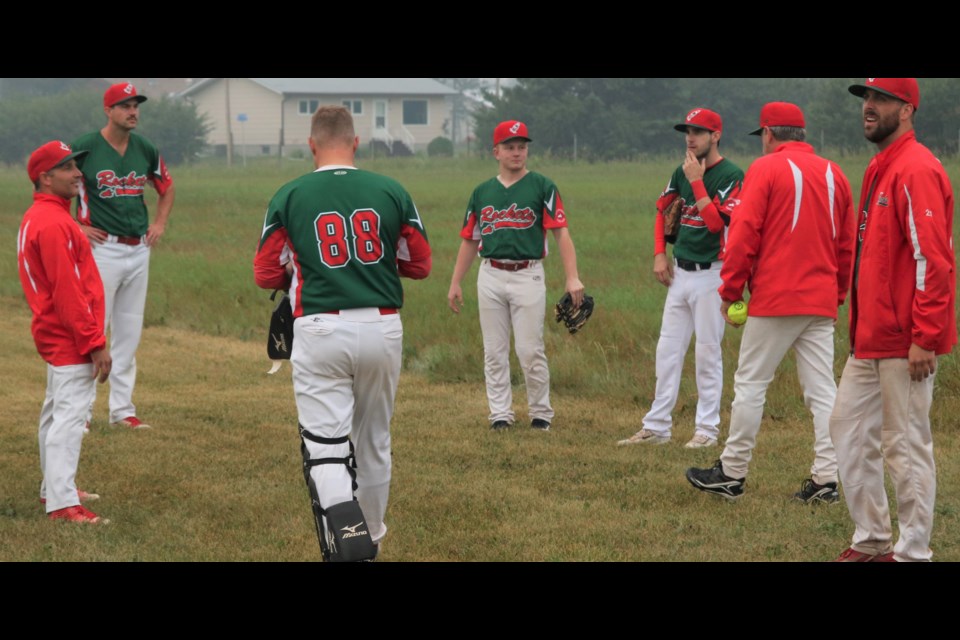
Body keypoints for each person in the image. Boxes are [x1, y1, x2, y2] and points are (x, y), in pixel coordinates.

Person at [254, 105, 431, 561]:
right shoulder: (391, 190)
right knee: (373, 440)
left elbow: (265, 271)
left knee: (326, 447)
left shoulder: (289, 194)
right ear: (356, 143)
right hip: (382, 325)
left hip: (321, 324)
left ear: (311, 146)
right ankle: (370, 538)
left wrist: (300, 268)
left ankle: (349, 543)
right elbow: (419, 263)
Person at [686, 102, 856, 502]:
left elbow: (743, 236)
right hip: (820, 299)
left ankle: (732, 471)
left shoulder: (764, 169)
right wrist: (839, 293)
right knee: (823, 393)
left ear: (768, 134)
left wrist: (730, 292)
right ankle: (827, 480)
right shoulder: (836, 173)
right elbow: (847, 245)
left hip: (777, 297)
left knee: (750, 384)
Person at [830, 79, 956, 562]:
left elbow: (933, 260)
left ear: (906, 109)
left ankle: (913, 552)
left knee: (904, 445)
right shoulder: (882, 165)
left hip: (907, 341)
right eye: (865, 98)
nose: (868, 106)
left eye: (880, 99)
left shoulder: (916, 168)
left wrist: (925, 335)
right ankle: (873, 539)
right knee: (846, 427)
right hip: (871, 339)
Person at [617, 108, 743, 449]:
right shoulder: (681, 170)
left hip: (712, 275)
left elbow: (718, 224)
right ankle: (657, 426)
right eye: (688, 131)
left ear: (716, 136)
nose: (690, 137)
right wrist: (660, 252)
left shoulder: (732, 174)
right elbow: (663, 209)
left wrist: (697, 181)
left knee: (707, 354)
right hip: (680, 273)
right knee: (667, 351)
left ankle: (706, 429)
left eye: (699, 132)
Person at [447, 120, 584, 432]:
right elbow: (470, 239)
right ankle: (500, 414)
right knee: (494, 349)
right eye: (509, 147)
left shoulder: (542, 186)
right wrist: (456, 281)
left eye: (522, 146)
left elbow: (561, 234)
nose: (517, 152)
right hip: (490, 273)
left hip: (528, 274)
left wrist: (572, 277)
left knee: (529, 349)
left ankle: (540, 414)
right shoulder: (482, 192)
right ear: (496, 151)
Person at [17, 140, 113, 524]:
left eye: (77, 166)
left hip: (55, 331)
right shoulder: (55, 222)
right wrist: (94, 343)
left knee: (55, 413)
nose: (78, 174)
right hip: (69, 335)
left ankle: (54, 490)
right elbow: (69, 291)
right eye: (68, 167)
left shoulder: (43, 216)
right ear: (45, 177)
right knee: (69, 418)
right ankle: (61, 504)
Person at [71, 82, 175, 430]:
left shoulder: (144, 147)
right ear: (108, 110)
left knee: (129, 332)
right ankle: (82, 413)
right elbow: (54, 184)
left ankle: (122, 411)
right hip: (101, 249)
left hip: (138, 248)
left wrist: (159, 222)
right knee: (93, 330)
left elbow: (166, 185)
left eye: (136, 106)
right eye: (125, 106)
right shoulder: (85, 147)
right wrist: (76, 227)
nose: (133, 112)